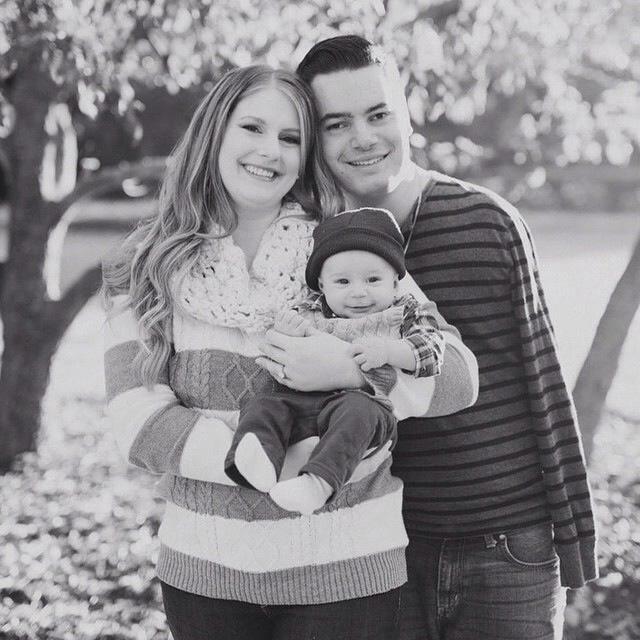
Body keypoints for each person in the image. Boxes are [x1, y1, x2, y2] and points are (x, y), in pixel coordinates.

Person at [102, 64, 479, 640]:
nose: (269, 151)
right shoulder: (146, 266)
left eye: (290, 138)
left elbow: (459, 378)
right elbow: (137, 424)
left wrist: (354, 372)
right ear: (214, 133)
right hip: (206, 571)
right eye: (252, 128)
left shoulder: (345, 249)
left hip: (348, 568)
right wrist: (274, 463)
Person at [255, 35, 599, 640]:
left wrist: (572, 542)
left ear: (407, 113)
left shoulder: (486, 221)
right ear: (314, 139)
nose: (363, 138)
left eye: (378, 114)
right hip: (383, 546)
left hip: (506, 544)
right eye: (337, 124)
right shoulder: (307, 242)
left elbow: (543, 382)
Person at [225, 207, 447, 515]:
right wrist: (288, 332)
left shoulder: (405, 311)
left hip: (362, 412)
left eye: (373, 279)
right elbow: (277, 356)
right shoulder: (309, 309)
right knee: (264, 404)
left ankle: (318, 484)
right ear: (322, 285)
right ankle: (259, 459)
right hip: (302, 408)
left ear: (396, 284)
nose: (359, 293)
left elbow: (432, 350)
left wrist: (388, 351)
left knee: (358, 412)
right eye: (342, 282)